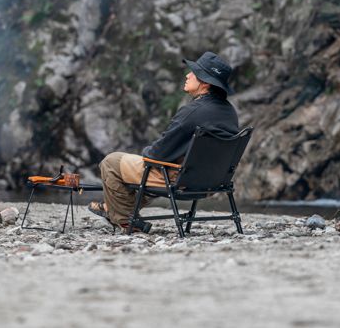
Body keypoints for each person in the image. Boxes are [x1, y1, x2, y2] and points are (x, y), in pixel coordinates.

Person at [88, 51, 239, 232]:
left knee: (111, 162)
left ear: (205, 82)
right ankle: (114, 208)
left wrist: (146, 152)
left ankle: (123, 219)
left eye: (193, 72)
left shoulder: (192, 112)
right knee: (153, 167)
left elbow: (157, 154)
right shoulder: (230, 113)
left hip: (182, 180)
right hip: (212, 183)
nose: (187, 75)